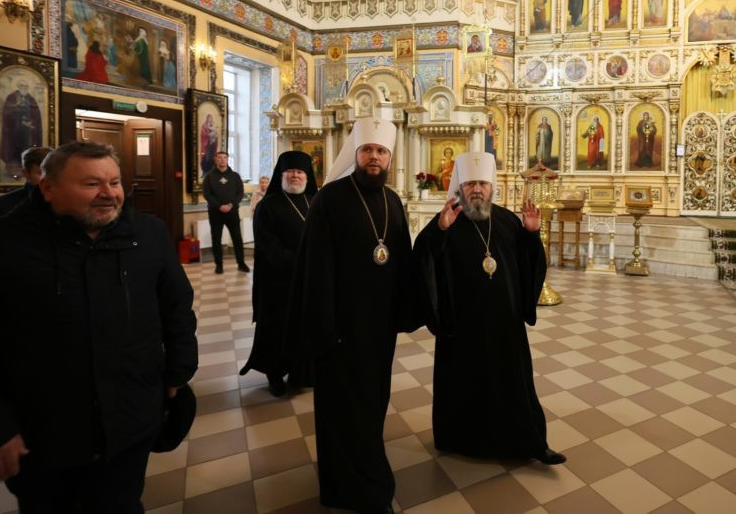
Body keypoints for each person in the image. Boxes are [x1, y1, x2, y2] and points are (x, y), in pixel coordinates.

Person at [0, 141, 197, 512]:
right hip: (44, 430)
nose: (108, 193)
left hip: (130, 419)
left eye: (115, 182)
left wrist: (179, 369)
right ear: (47, 187)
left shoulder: (148, 234)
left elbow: (176, 306)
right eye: (92, 184)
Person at [284, 117, 419, 514]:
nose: (374, 157)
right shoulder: (329, 199)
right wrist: (324, 328)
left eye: (381, 151)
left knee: (372, 405)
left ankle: (369, 472)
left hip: (378, 331)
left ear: (389, 157)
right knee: (342, 409)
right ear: (356, 154)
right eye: (367, 150)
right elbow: (316, 268)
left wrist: (404, 312)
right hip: (340, 330)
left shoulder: (392, 201)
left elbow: (401, 261)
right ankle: (347, 487)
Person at [413, 152, 565, 465]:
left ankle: (532, 443)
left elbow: (529, 265)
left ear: (492, 187)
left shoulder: (508, 221)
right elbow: (423, 261)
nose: (477, 190)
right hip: (462, 326)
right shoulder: (447, 220)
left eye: (482, 183)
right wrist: (438, 232)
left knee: (514, 385)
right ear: (460, 187)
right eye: (470, 184)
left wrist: (531, 235)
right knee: (466, 385)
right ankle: (462, 440)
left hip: (505, 324)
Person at [241, 152, 317, 397]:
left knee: (303, 328)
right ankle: (274, 374)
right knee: (277, 330)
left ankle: (301, 373)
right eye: (290, 171)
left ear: (307, 176)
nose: (295, 175)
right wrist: (299, 262)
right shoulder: (267, 206)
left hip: (307, 280)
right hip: (277, 281)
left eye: (300, 172)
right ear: (281, 175)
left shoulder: (314, 202)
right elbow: (267, 246)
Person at [202, 151, 250, 274]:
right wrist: (219, 206)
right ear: (215, 159)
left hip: (232, 212)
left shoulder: (235, 176)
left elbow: (240, 193)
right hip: (215, 213)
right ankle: (219, 265)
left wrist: (230, 205)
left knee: (237, 238)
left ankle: (241, 263)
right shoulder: (209, 176)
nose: (222, 160)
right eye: (220, 157)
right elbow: (207, 194)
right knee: (216, 239)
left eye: (225, 157)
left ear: (227, 160)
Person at [0, 147, 52, 221]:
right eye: (41, 173)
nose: (48, 178)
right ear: (26, 173)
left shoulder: (60, 202)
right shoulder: (2, 205)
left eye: (52, 172)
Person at [1, 79, 43, 181]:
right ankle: (14, 171)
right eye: (22, 86)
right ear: (18, 87)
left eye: (26, 86)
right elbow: (7, 114)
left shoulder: (31, 99)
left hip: (28, 133)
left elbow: (36, 116)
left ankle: (27, 171)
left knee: (26, 151)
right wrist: (18, 114)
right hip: (14, 132)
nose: (24, 88)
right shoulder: (12, 97)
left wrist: (31, 123)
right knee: (14, 152)